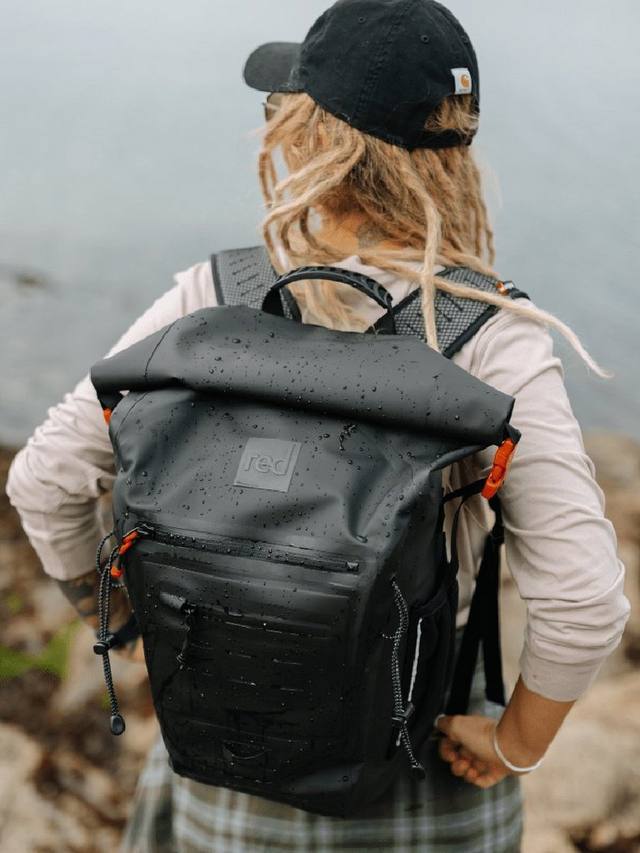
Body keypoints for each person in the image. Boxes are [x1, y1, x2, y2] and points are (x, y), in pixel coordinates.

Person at [6, 1, 631, 850]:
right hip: (419, 753)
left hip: (226, 750)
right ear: (455, 150)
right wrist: (516, 741)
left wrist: (126, 627)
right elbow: (583, 600)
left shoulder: (211, 299)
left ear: (308, 136)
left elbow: (44, 479)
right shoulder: (493, 337)